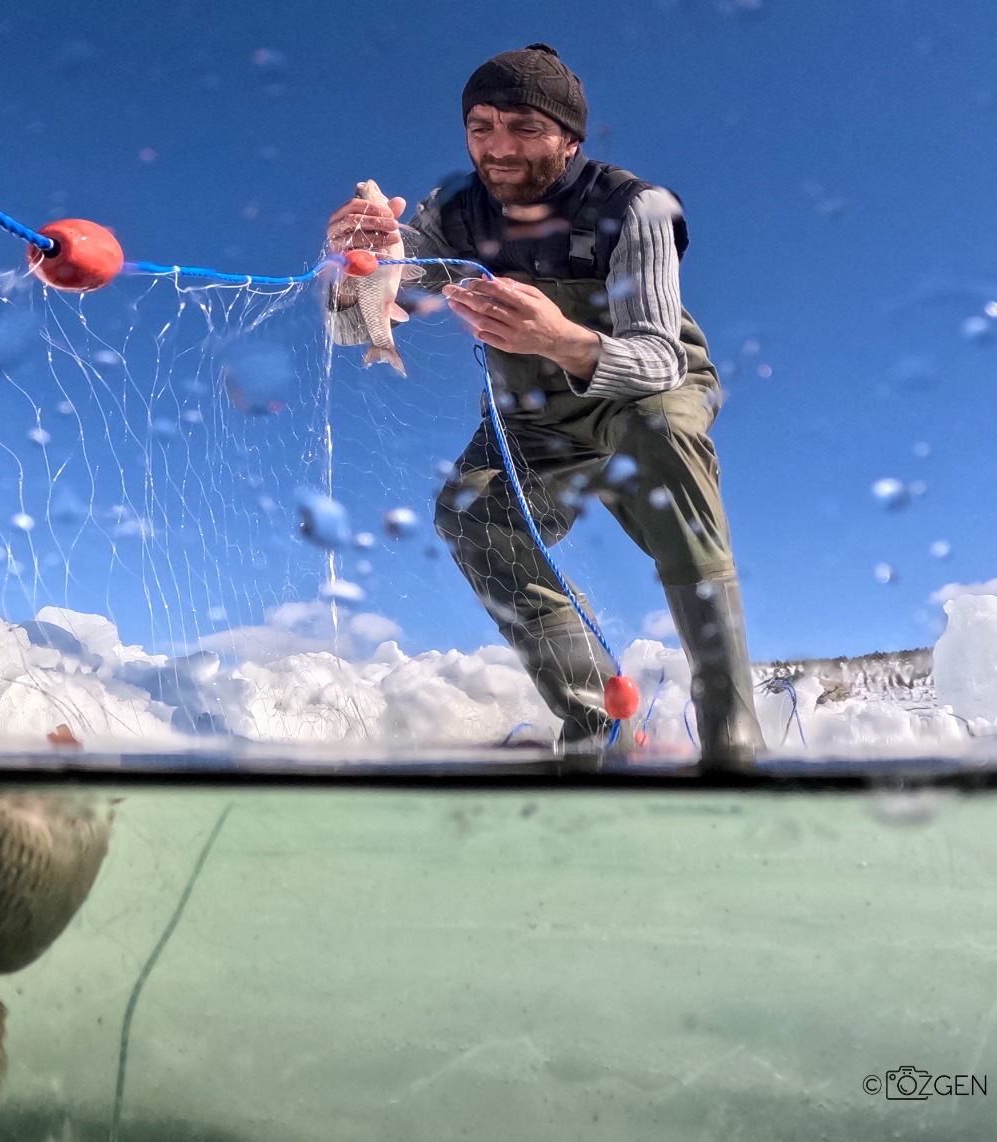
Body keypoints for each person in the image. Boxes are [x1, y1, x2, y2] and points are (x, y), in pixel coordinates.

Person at [324, 43, 765, 770]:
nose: (497, 147)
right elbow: (358, 322)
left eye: (524, 127)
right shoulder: (455, 216)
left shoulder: (636, 208)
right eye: (481, 125)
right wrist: (355, 269)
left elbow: (660, 357)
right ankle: (599, 719)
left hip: (641, 385)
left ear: (570, 140)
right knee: (468, 513)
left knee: (661, 428)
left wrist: (563, 339)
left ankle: (730, 725)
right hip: (534, 415)